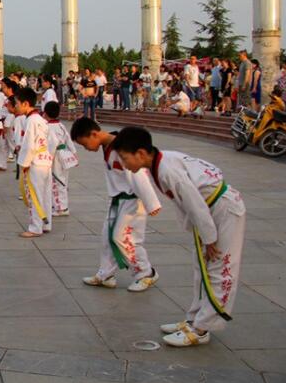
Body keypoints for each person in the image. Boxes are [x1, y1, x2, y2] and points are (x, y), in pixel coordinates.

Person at [111, 126, 246, 348]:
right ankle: (194, 319)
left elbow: (193, 202)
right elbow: (189, 204)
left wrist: (209, 238)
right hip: (210, 211)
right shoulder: (160, 164)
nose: (124, 165)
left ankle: (202, 328)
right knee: (200, 268)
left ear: (141, 153)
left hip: (222, 209)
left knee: (218, 269)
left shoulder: (166, 169)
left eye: (125, 158)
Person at [69, 118, 161, 293]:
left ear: (94, 134)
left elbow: (138, 174)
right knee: (107, 236)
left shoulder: (122, 147)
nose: (86, 148)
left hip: (133, 199)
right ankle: (106, 274)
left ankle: (146, 272)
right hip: (118, 199)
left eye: (85, 143)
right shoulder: (108, 146)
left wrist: (152, 202)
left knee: (123, 237)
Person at [16, 87, 53, 238]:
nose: (16, 106)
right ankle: (46, 222)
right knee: (45, 194)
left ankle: (35, 227)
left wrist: (24, 163)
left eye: (17, 103)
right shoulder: (41, 120)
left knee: (35, 195)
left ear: (25, 103)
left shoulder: (31, 120)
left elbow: (29, 145)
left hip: (36, 162)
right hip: (45, 160)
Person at [45, 102, 76, 217]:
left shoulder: (48, 127)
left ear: (45, 113)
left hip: (56, 157)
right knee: (63, 181)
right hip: (64, 154)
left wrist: (48, 159)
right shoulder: (60, 125)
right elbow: (68, 140)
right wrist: (74, 153)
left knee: (56, 181)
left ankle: (60, 208)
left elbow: (51, 145)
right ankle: (63, 205)